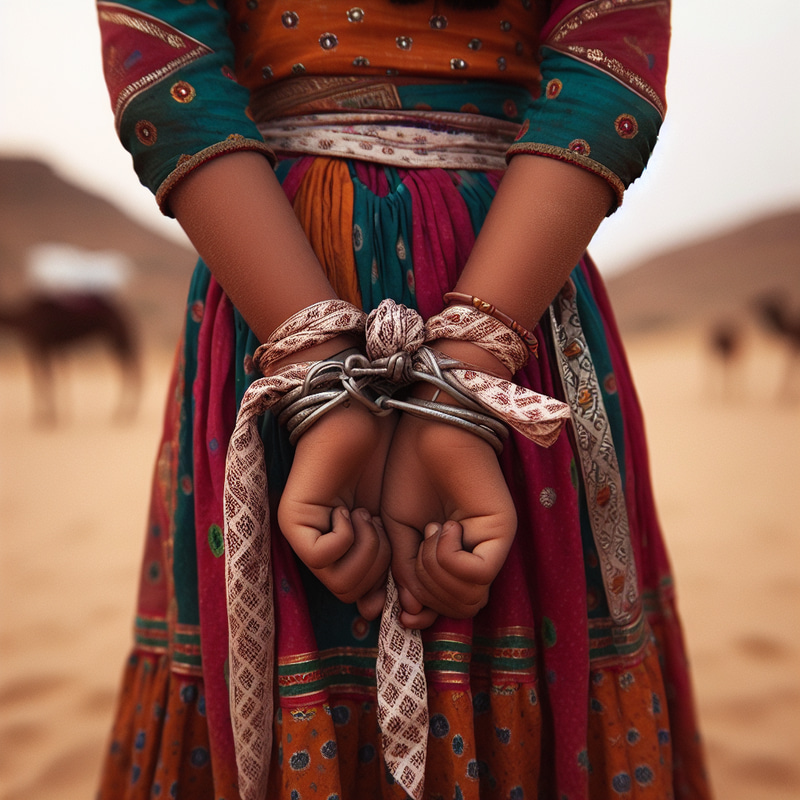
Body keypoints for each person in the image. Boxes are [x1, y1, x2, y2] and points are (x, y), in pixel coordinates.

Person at [95, 1, 712, 798]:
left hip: (296, 294)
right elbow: (606, 63)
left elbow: (161, 66)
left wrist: (333, 377)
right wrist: (458, 383)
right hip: (497, 293)